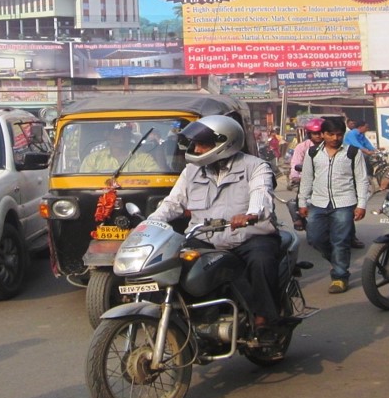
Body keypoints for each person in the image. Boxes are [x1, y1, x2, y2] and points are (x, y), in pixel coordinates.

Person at [147, 115, 287, 339]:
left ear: (225, 142)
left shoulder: (255, 166)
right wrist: (150, 222)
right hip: (205, 238)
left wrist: (252, 214)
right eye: (196, 144)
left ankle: (264, 320)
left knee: (262, 261)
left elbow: (262, 195)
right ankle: (193, 314)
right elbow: (173, 203)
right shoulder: (191, 171)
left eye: (204, 144)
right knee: (175, 264)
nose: (198, 149)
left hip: (249, 237)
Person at [299, 118, 372, 294]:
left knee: (340, 241)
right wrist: (302, 202)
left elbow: (362, 180)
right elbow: (307, 178)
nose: (335, 138)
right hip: (318, 202)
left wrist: (361, 204)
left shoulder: (353, 152)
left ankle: (339, 277)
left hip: (344, 203)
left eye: (339, 134)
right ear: (323, 134)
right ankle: (336, 261)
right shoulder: (313, 153)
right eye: (330, 134)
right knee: (315, 238)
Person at [81, 123, 155, 173]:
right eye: (116, 134)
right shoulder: (93, 159)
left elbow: (155, 180)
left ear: (130, 136)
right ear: (108, 136)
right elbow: (82, 183)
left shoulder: (144, 158)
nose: (122, 138)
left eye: (125, 134)